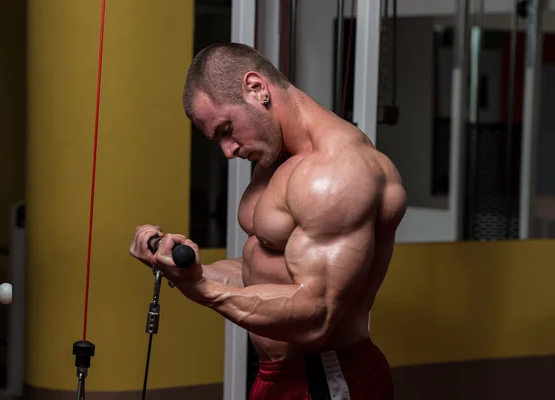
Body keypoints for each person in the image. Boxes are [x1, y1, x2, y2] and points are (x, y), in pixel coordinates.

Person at [129, 42, 407, 400]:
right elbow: (261, 271)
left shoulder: (336, 173)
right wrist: (179, 267)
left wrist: (202, 289)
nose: (228, 151)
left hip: (328, 377)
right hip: (277, 376)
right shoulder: (275, 162)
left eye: (227, 129)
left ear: (257, 88)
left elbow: (317, 316)